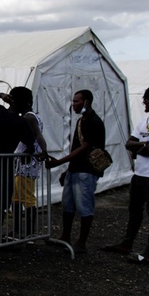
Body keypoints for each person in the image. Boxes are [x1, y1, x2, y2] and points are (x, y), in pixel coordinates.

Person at [102, 85, 149, 265]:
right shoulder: (145, 121)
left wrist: (141, 146)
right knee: (134, 210)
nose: (144, 101)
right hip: (140, 173)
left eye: (148, 98)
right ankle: (127, 244)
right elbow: (129, 144)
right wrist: (145, 144)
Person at [47, 90, 106, 253]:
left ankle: (81, 242)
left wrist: (59, 162)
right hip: (75, 169)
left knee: (84, 206)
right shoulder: (82, 121)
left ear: (86, 102)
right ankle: (65, 236)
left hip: (86, 171)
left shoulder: (94, 122)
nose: (73, 105)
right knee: (68, 205)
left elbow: (83, 148)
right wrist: (67, 170)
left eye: (77, 102)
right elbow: (76, 148)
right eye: (73, 101)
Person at [0, 89, 33, 245]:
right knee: (2, 203)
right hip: (6, 165)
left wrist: (0, 95)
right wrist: (26, 157)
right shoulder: (21, 122)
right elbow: (30, 145)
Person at [11, 88, 48, 239]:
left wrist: (44, 151)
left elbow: (38, 136)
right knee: (17, 198)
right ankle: (19, 230)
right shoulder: (32, 116)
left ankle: (29, 232)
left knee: (27, 199)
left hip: (26, 164)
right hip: (23, 164)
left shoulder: (28, 117)